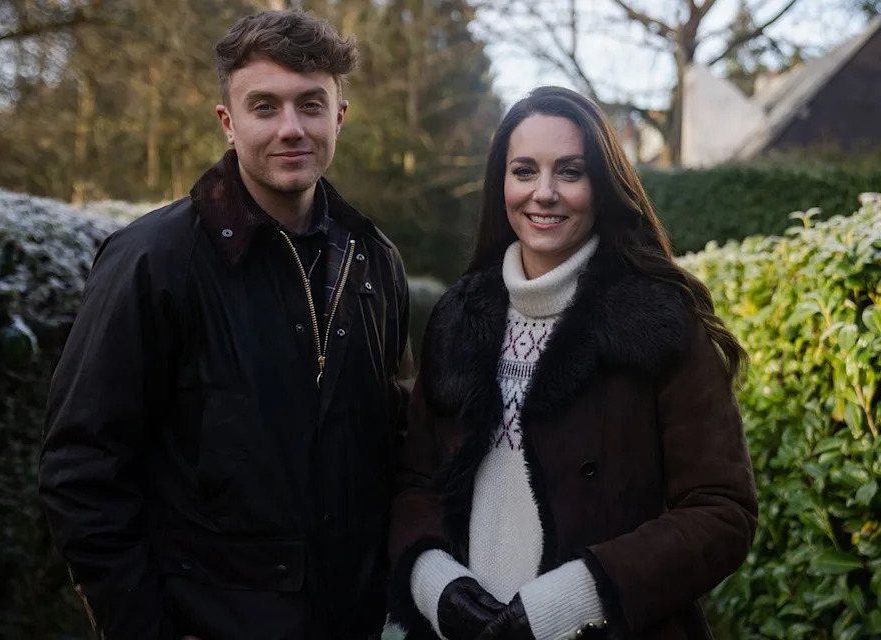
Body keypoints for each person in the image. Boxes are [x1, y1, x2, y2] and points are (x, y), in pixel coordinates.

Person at [38, 10, 413, 640]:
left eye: (311, 105)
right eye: (264, 106)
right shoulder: (153, 260)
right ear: (228, 121)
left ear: (339, 117)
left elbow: (393, 449)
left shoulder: (376, 261)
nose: (290, 128)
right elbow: (82, 470)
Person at [387, 86, 758, 640]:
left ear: (601, 185)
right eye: (524, 170)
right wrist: (437, 586)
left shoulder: (658, 318)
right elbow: (416, 480)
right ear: (501, 183)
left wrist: (574, 598)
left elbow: (722, 511)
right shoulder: (460, 315)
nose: (544, 193)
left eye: (569, 171)